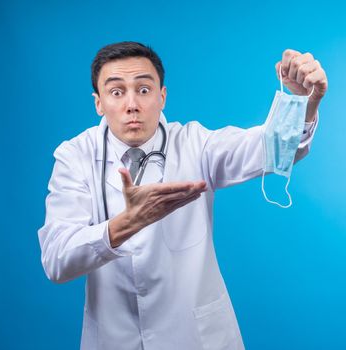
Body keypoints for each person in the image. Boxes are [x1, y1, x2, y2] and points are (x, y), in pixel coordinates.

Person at [38, 41, 328, 350]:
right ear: (99, 103)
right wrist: (123, 225)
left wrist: (300, 102)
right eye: (117, 92)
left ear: (162, 96)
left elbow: (271, 148)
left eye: (144, 90)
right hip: (113, 339)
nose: (132, 104)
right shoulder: (75, 156)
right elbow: (57, 260)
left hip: (198, 339)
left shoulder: (195, 144)